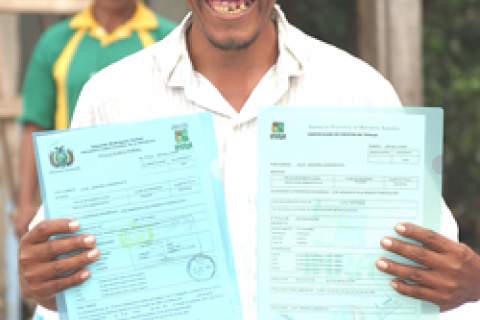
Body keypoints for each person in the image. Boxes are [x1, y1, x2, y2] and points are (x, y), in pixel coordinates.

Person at [19, 1, 480, 319]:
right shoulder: (111, 97)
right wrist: (42, 279)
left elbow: (431, 274)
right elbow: (66, 283)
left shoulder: (360, 91)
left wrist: (469, 282)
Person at [13, 0, 176, 239]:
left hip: (145, 196)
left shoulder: (169, 38)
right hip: (71, 195)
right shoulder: (56, 41)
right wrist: (25, 203)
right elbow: (35, 122)